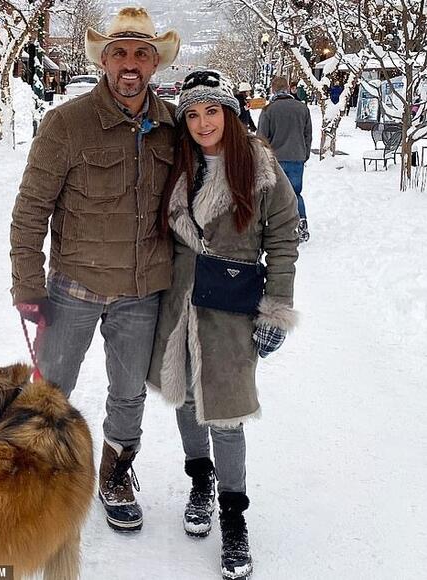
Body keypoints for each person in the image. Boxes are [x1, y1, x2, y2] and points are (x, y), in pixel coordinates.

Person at [10, 7, 180, 532]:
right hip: (73, 288)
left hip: (141, 291)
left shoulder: (173, 126)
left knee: (129, 392)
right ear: (104, 60)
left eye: (141, 54)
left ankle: (115, 473)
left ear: (155, 63)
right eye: (119, 52)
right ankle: (37, 476)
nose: (130, 63)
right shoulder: (67, 123)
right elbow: (30, 209)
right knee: (51, 389)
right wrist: (28, 284)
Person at [148, 70, 299, 580]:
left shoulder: (259, 167)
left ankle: (234, 517)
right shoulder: (178, 164)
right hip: (178, 303)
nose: (202, 123)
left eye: (211, 110)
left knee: (228, 414)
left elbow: (283, 237)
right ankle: (200, 481)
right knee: (186, 399)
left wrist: (276, 307)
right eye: (192, 114)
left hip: (232, 309)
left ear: (230, 114)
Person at [257, 76, 312, 243]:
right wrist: (304, 154)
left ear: (273, 90)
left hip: (275, 160)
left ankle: (277, 228)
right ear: (288, 88)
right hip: (297, 158)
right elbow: (307, 135)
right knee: (295, 193)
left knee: (274, 195)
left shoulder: (268, 110)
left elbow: (261, 138)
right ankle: (302, 224)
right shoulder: (302, 108)